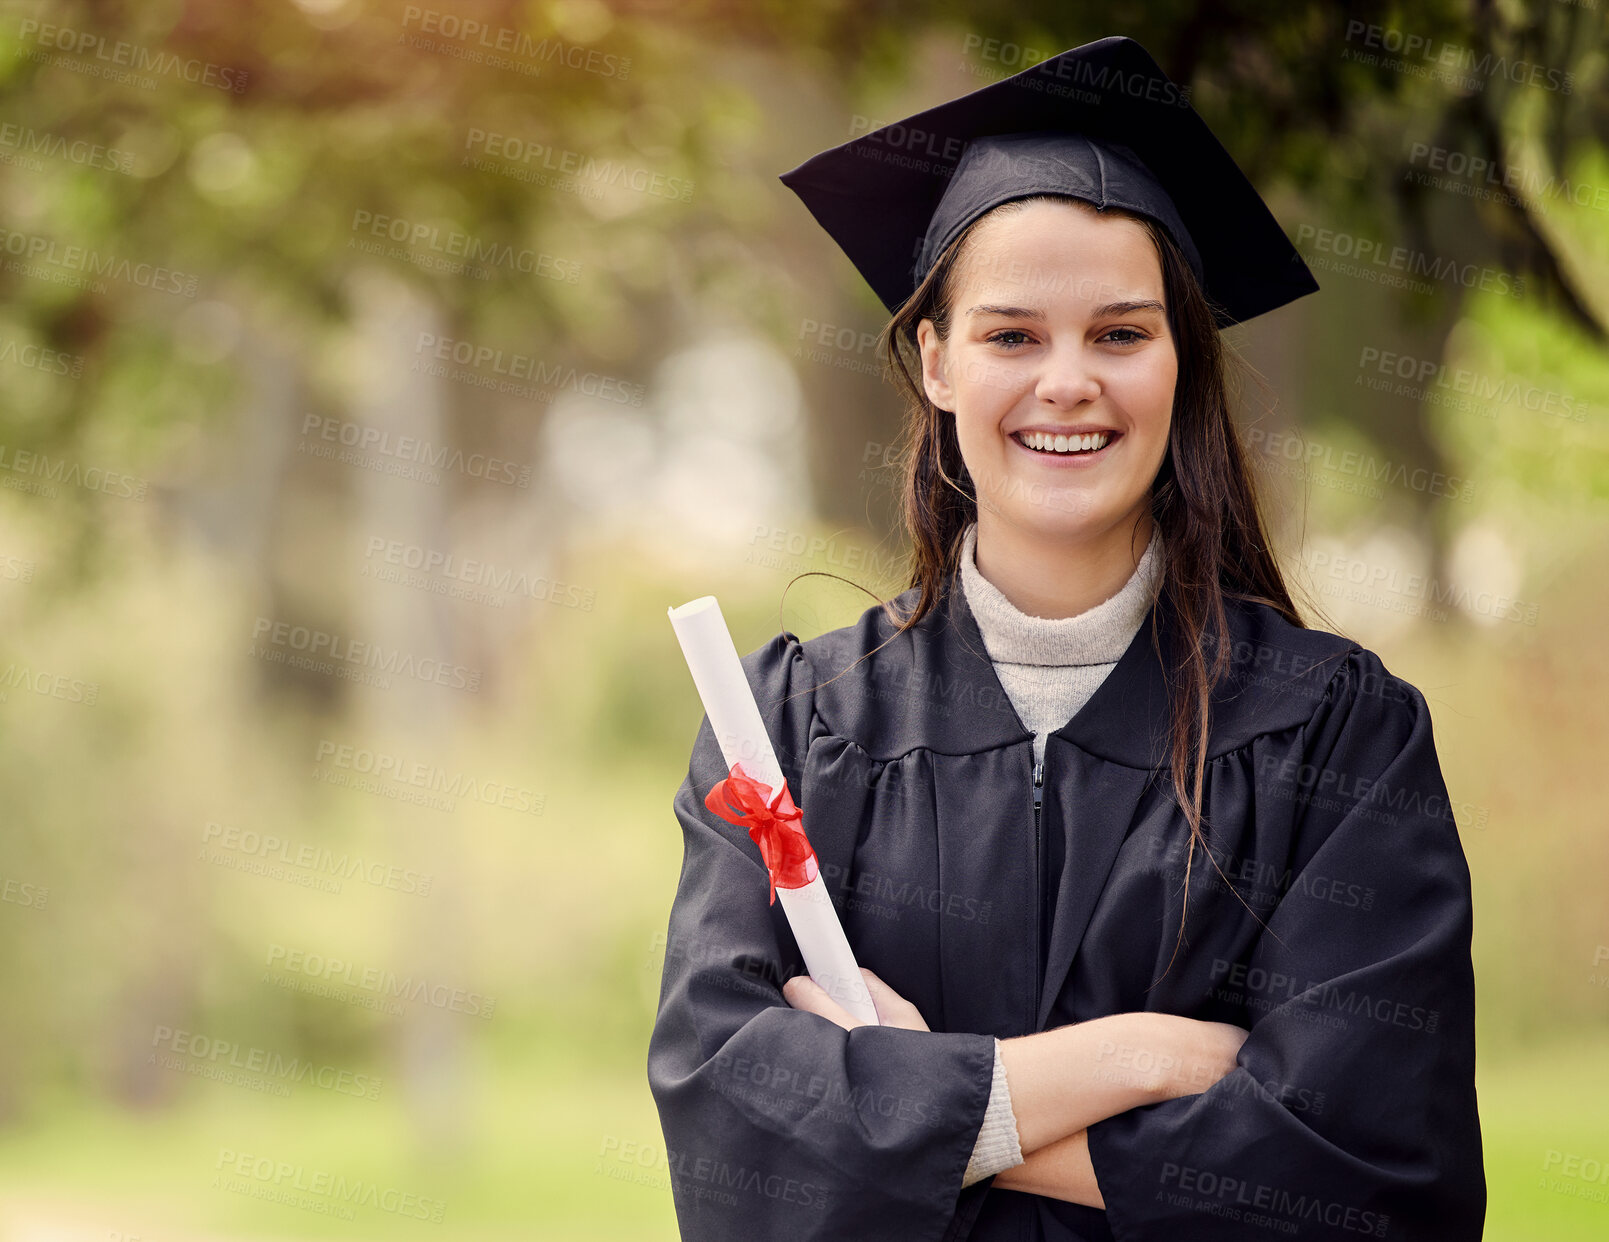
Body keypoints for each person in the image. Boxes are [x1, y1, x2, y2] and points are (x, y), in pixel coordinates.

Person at [647, 35, 1484, 1242]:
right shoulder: (786, 728)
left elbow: (1370, 1174)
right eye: (1010, 336)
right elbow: (735, 1143)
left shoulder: (1336, 735)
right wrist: (1136, 1058)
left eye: (1120, 333)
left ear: (1182, 360)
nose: (1066, 381)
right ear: (935, 363)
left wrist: (908, 1094)